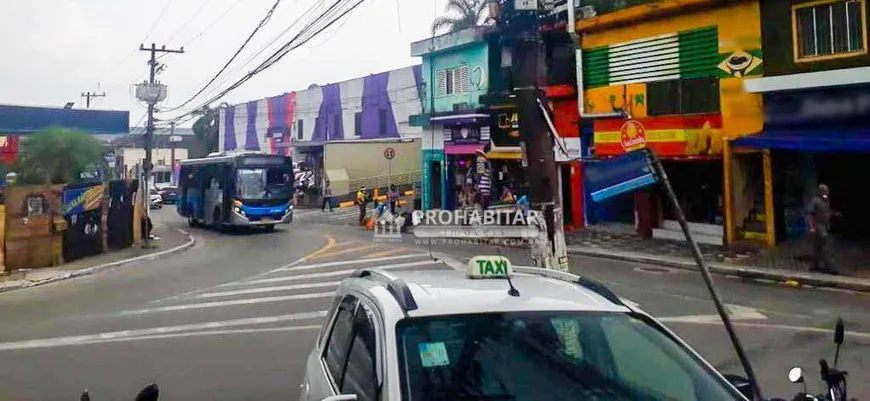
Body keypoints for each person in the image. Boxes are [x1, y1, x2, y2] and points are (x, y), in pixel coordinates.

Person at [807, 183, 840, 274]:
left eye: (827, 190)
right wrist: (812, 227)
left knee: (817, 246)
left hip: (825, 225)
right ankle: (831, 268)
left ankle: (814, 265)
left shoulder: (826, 200)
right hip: (818, 225)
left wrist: (834, 213)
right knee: (826, 244)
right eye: (825, 191)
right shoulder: (815, 201)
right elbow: (811, 214)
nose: (827, 192)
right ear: (820, 191)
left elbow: (826, 211)